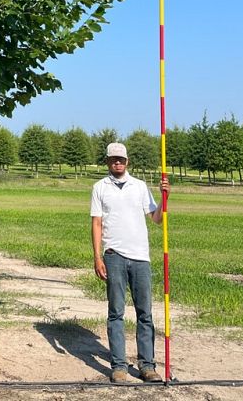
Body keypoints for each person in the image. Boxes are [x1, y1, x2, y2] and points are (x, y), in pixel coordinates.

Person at [90, 141, 169, 384]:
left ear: (127, 161)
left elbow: (156, 219)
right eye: (113, 159)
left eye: (121, 159)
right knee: (116, 313)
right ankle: (119, 367)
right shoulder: (99, 188)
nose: (117, 162)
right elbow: (96, 223)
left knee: (145, 313)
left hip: (140, 257)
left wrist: (166, 197)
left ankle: (147, 366)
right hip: (113, 255)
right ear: (107, 161)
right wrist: (97, 257)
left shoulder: (140, 187)